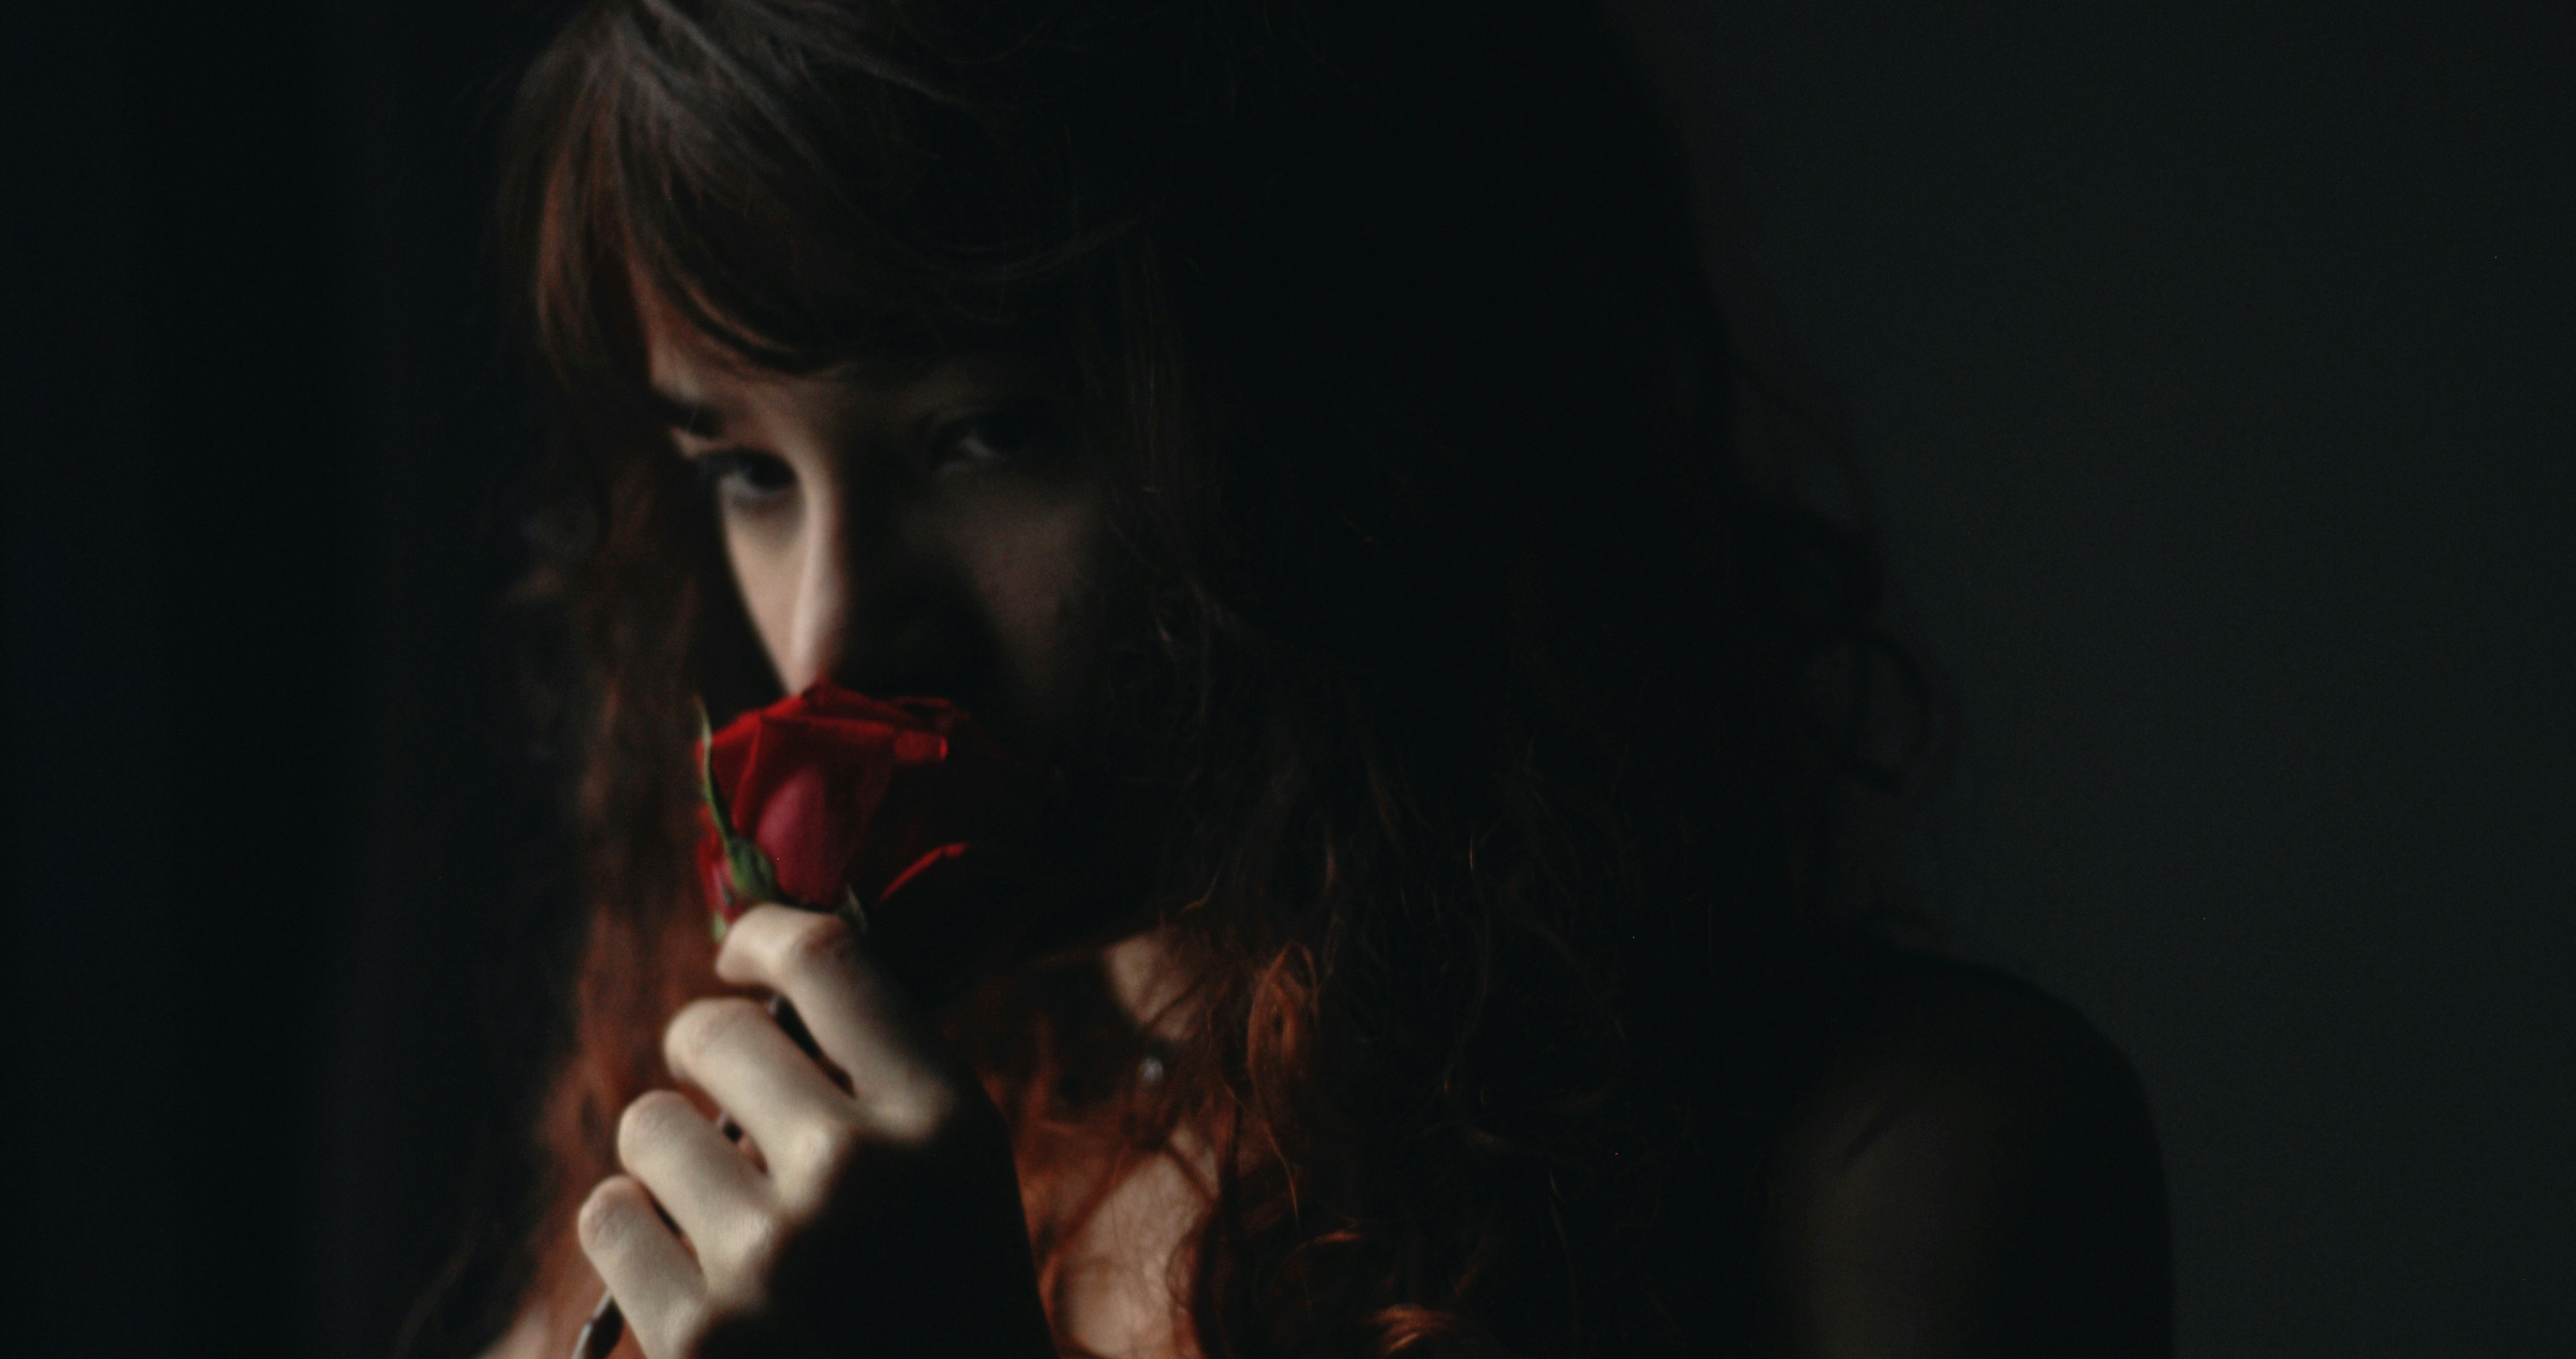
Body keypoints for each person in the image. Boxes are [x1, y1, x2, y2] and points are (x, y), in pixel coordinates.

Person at [462, 0, 2172, 1355]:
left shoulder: (1892, 1172)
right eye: (743, 471)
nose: (831, 639)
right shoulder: (734, 1215)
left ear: (1356, 414)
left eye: (990, 435)